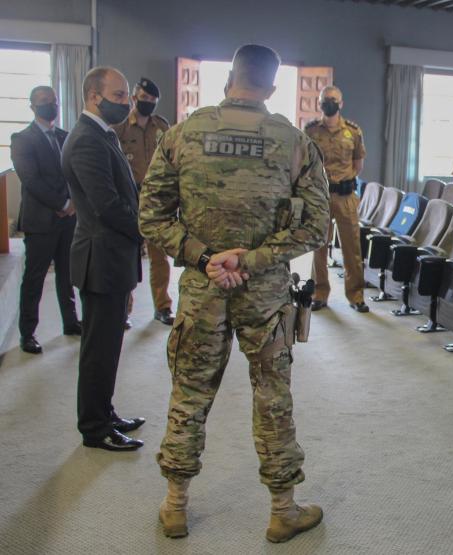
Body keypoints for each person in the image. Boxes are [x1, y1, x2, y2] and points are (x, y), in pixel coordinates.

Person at [140, 44, 330, 542]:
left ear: (230, 79)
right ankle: (283, 510)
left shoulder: (181, 136)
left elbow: (151, 217)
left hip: (202, 288)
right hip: (265, 296)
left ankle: (175, 506)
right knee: (272, 394)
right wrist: (251, 260)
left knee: (189, 392)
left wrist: (207, 257)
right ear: (271, 87)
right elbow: (316, 227)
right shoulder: (295, 143)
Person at [61, 67, 146, 451]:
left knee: (108, 346)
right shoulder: (86, 140)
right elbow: (107, 206)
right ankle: (94, 428)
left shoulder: (101, 134)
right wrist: (146, 228)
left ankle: (104, 411)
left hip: (112, 256)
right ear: (94, 97)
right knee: (99, 349)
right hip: (101, 259)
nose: (127, 102)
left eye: (127, 95)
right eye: (119, 95)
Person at [11, 85, 80, 354]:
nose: (50, 105)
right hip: (40, 220)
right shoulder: (22, 139)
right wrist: (62, 204)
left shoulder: (65, 136)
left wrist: (72, 203)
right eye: (43, 101)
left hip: (68, 219)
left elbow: (74, 173)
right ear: (32, 107)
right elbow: (31, 180)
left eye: (53, 101)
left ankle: (70, 322)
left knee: (67, 274)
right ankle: (27, 333)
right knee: (35, 278)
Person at [113, 77, 174, 325]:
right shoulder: (120, 127)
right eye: (144, 98)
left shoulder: (162, 126)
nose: (147, 102)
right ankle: (124, 309)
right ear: (134, 98)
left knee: (159, 257)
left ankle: (162, 307)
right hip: (129, 198)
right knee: (128, 257)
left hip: (156, 200)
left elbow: (172, 159)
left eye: (152, 100)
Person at [305, 85, 369, 313]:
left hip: (345, 196)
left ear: (341, 104)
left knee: (352, 248)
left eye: (333, 99)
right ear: (319, 103)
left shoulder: (353, 131)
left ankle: (356, 295)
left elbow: (358, 164)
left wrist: (343, 180)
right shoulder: (311, 130)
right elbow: (305, 162)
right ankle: (319, 293)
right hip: (320, 196)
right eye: (325, 99)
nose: (329, 102)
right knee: (319, 247)